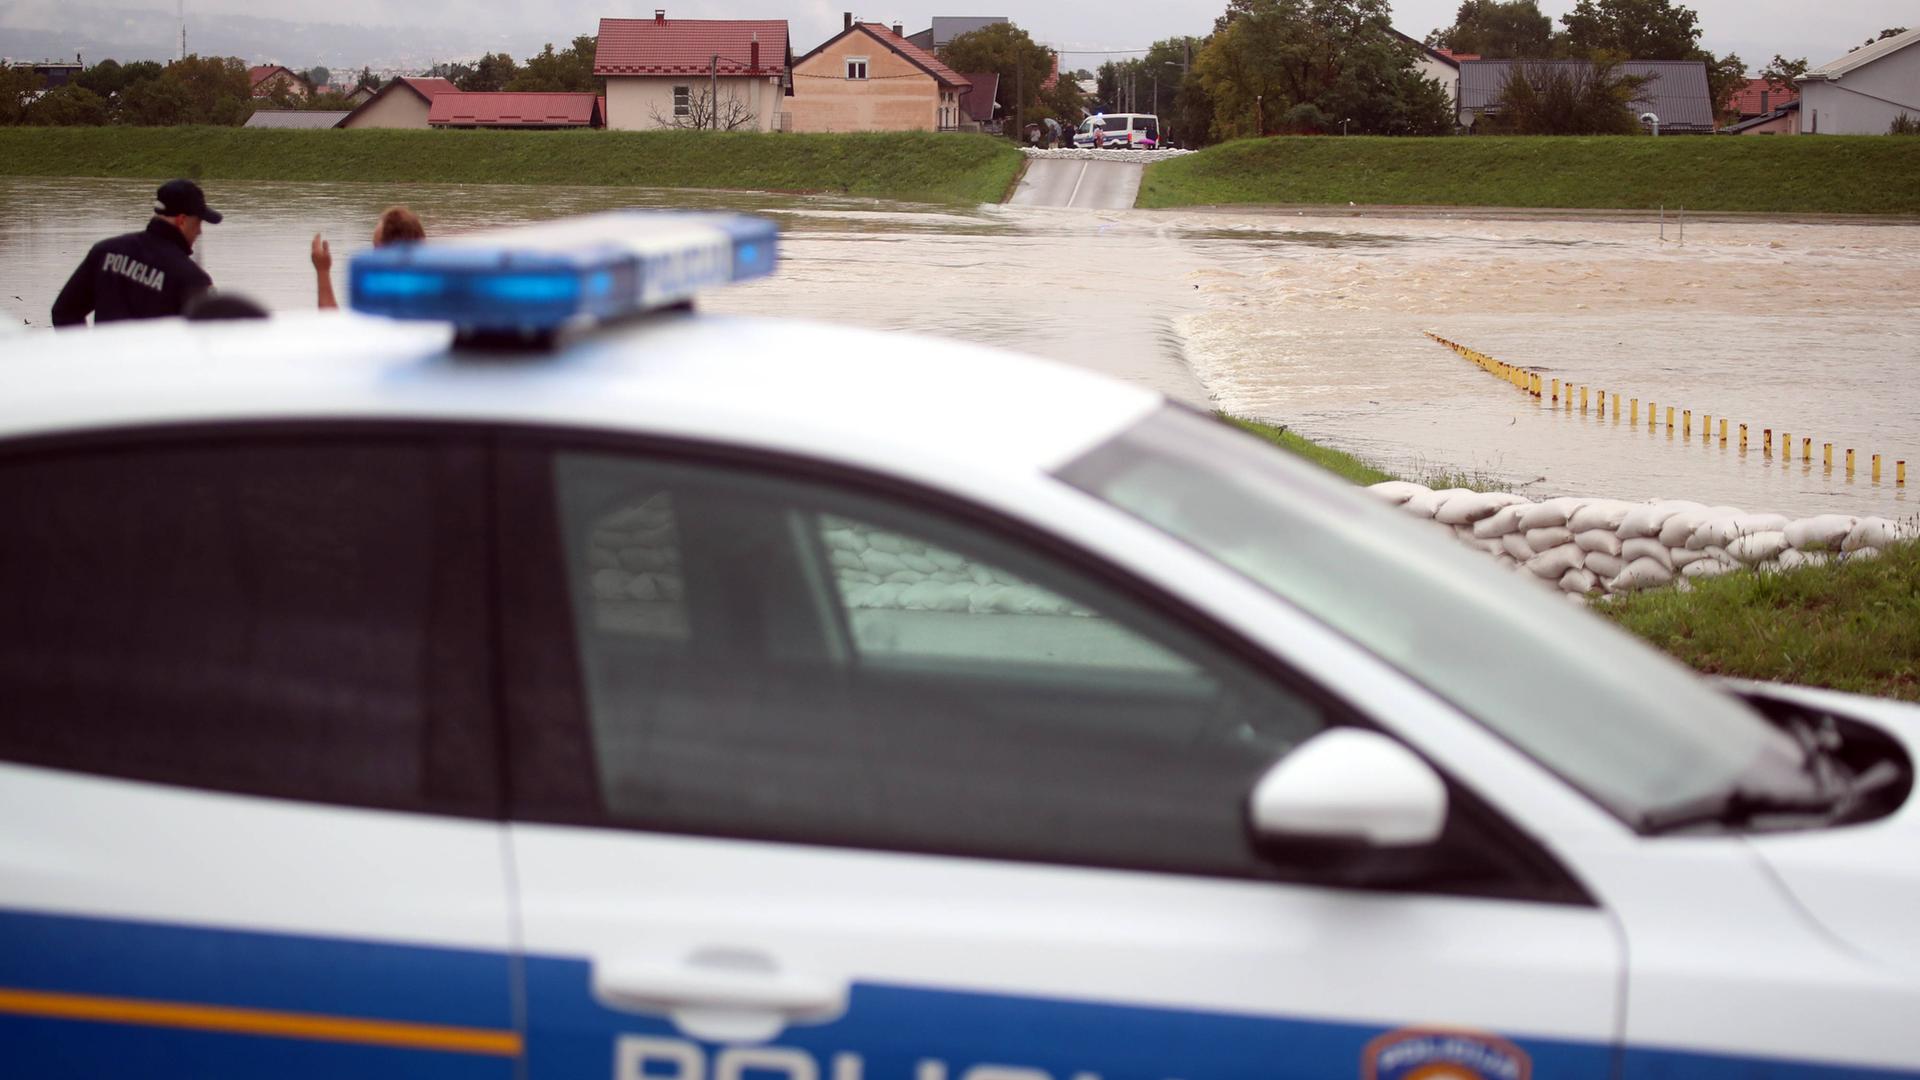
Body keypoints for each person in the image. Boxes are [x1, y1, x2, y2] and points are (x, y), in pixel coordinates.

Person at [50, 179, 221, 327]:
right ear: (181, 220)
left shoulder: (106, 251)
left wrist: (86, 358)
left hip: (104, 363)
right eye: (198, 222)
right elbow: (210, 339)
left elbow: (65, 312)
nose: (199, 231)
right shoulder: (192, 278)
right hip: (154, 365)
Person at [312, 206, 426, 310]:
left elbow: (335, 328)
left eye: (376, 247)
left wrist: (323, 271)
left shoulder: (391, 293)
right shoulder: (432, 289)